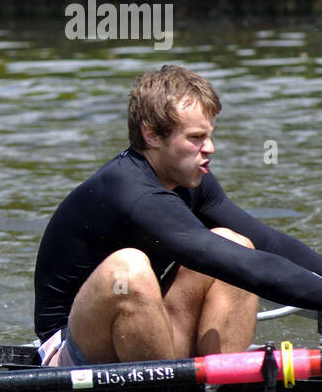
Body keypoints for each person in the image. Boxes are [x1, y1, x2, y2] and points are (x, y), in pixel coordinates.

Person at [34, 64, 322, 366]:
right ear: (152, 135)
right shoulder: (130, 191)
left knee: (234, 242)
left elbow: (266, 243)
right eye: (196, 137)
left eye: (210, 135)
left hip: (143, 335)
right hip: (71, 350)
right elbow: (247, 267)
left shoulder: (191, 179)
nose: (209, 148)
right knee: (129, 269)